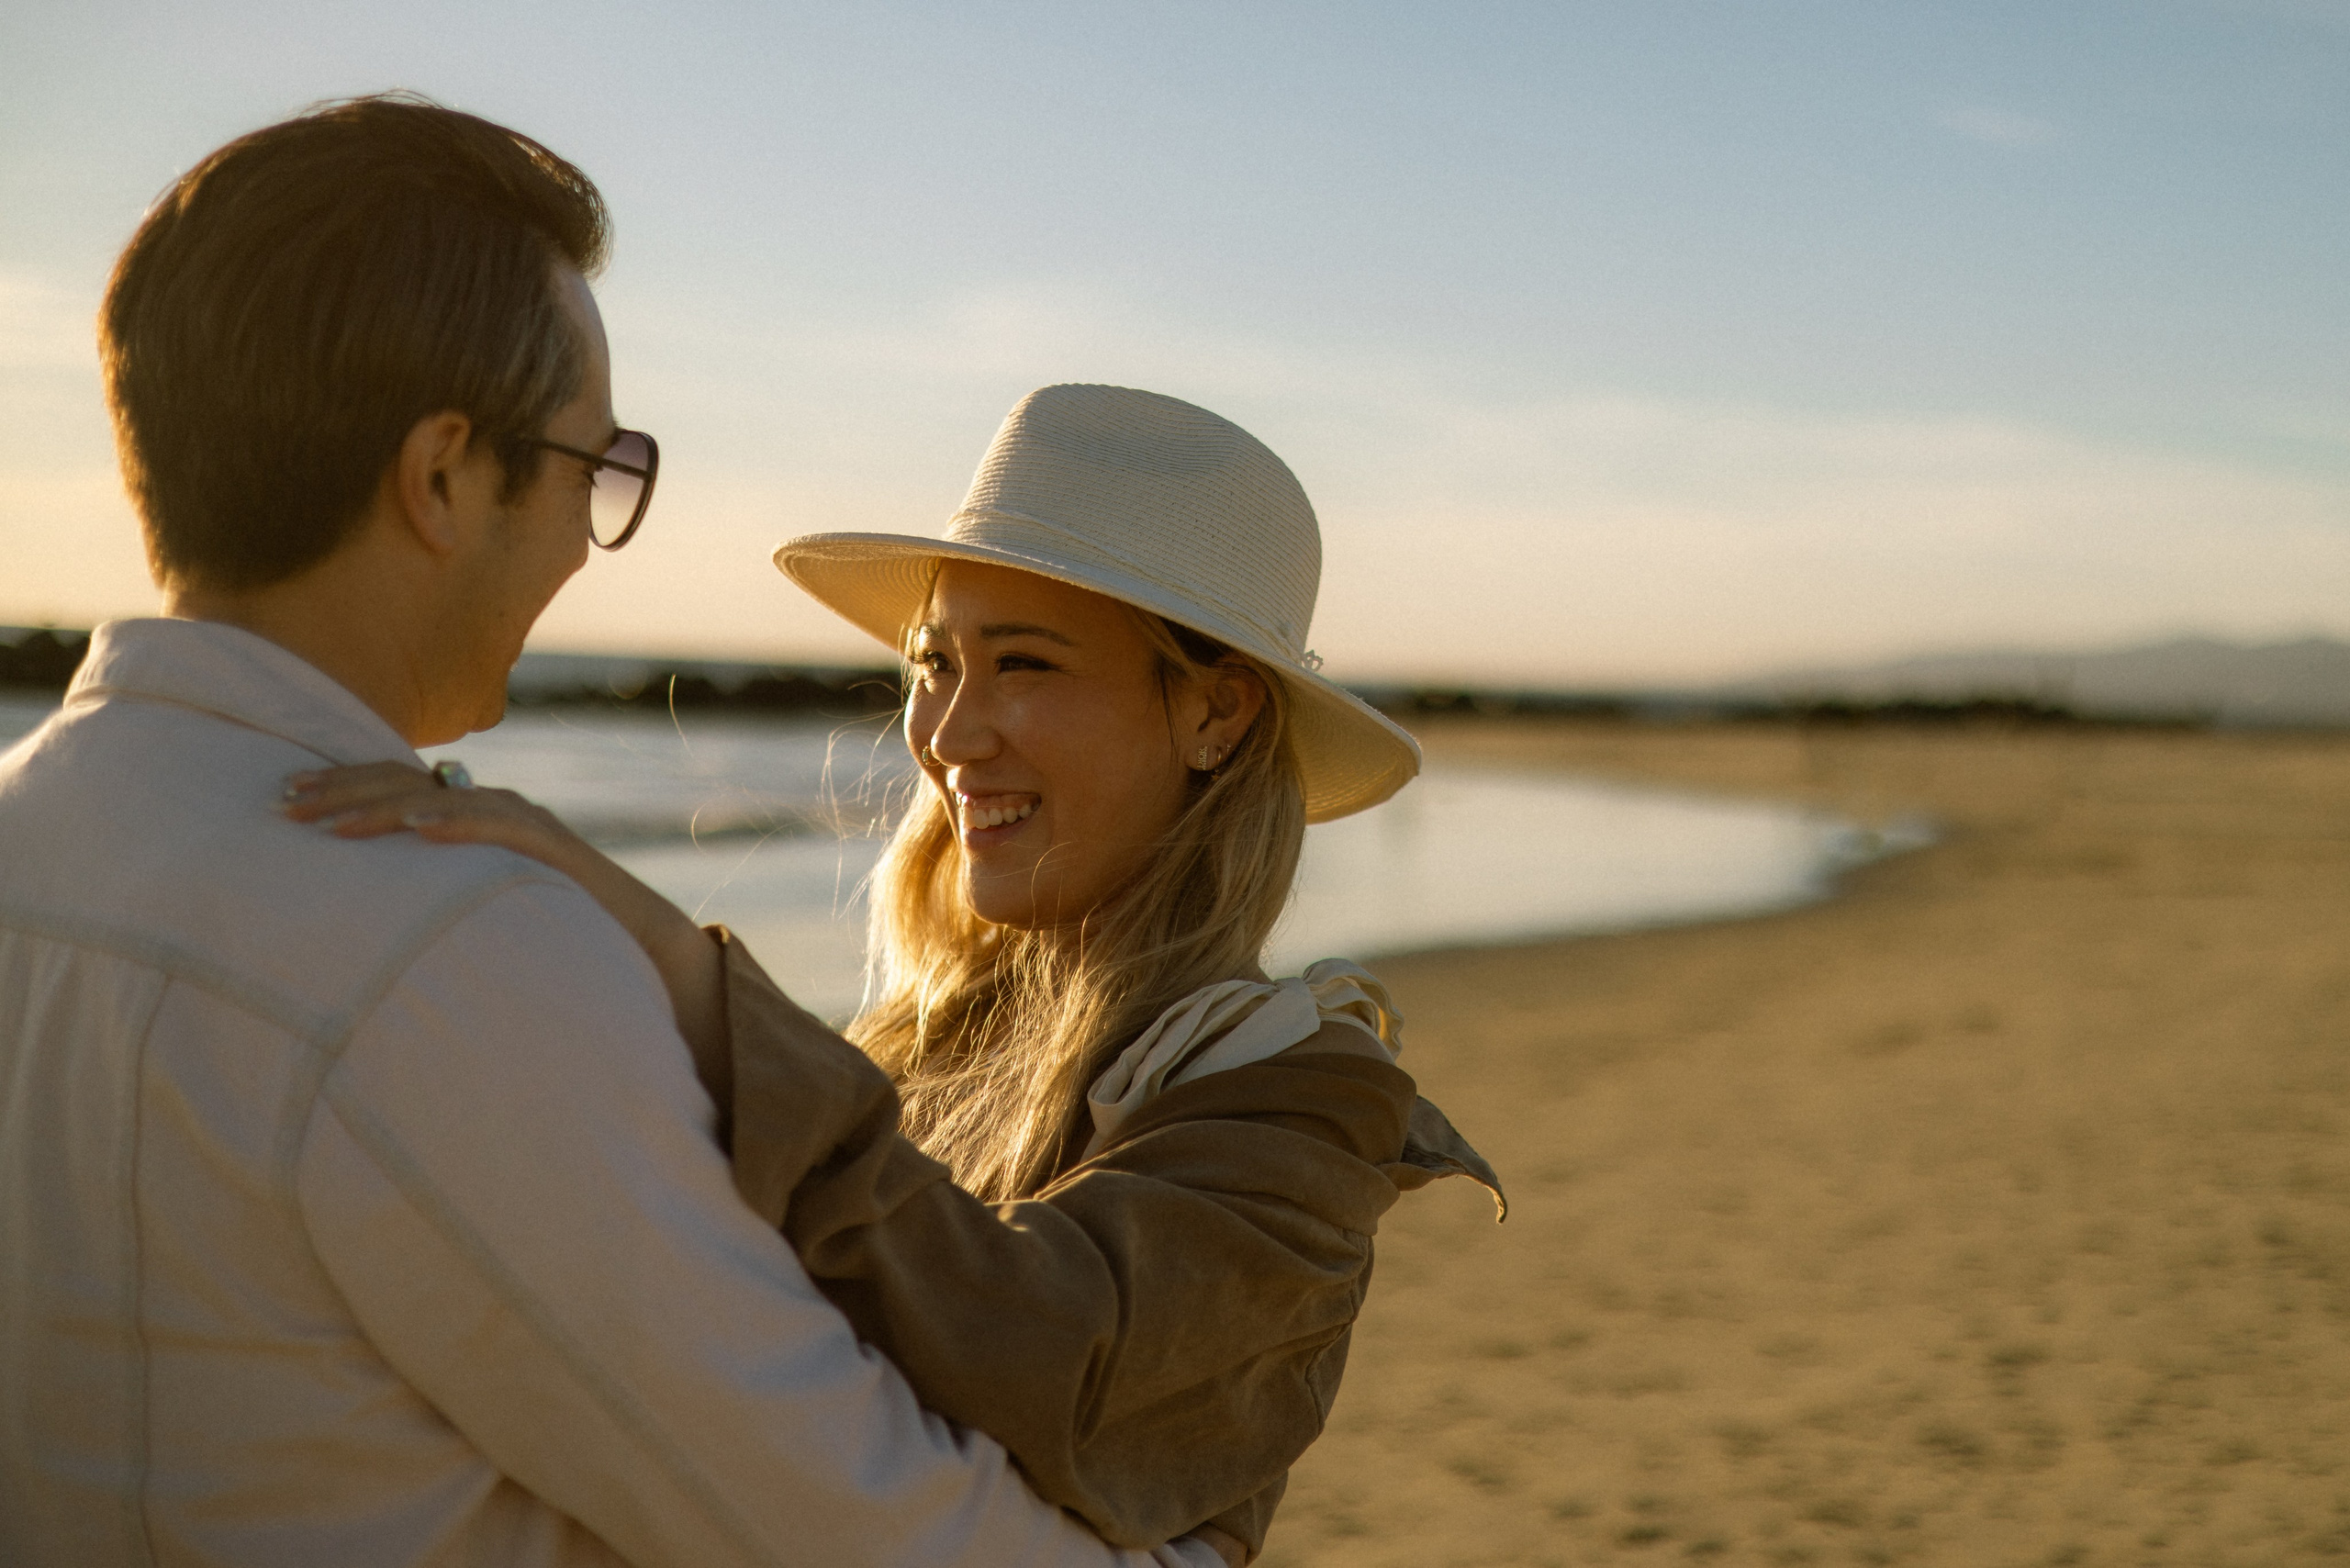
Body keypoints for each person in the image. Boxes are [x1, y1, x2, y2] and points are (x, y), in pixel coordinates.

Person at [0, 96, 1223, 1568]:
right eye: (596, 467)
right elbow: (843, 1517)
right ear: (445, 476)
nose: (592, 530)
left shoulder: (33, 838)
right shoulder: (450, 956)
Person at [285, 384, 1505, 1562]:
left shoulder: (1299, 1098)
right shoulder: (923, 1035)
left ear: (1218, 718)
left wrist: (678, 971)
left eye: (1023, 664)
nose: (946, 733)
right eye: (933, 663)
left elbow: (1048, 1349)